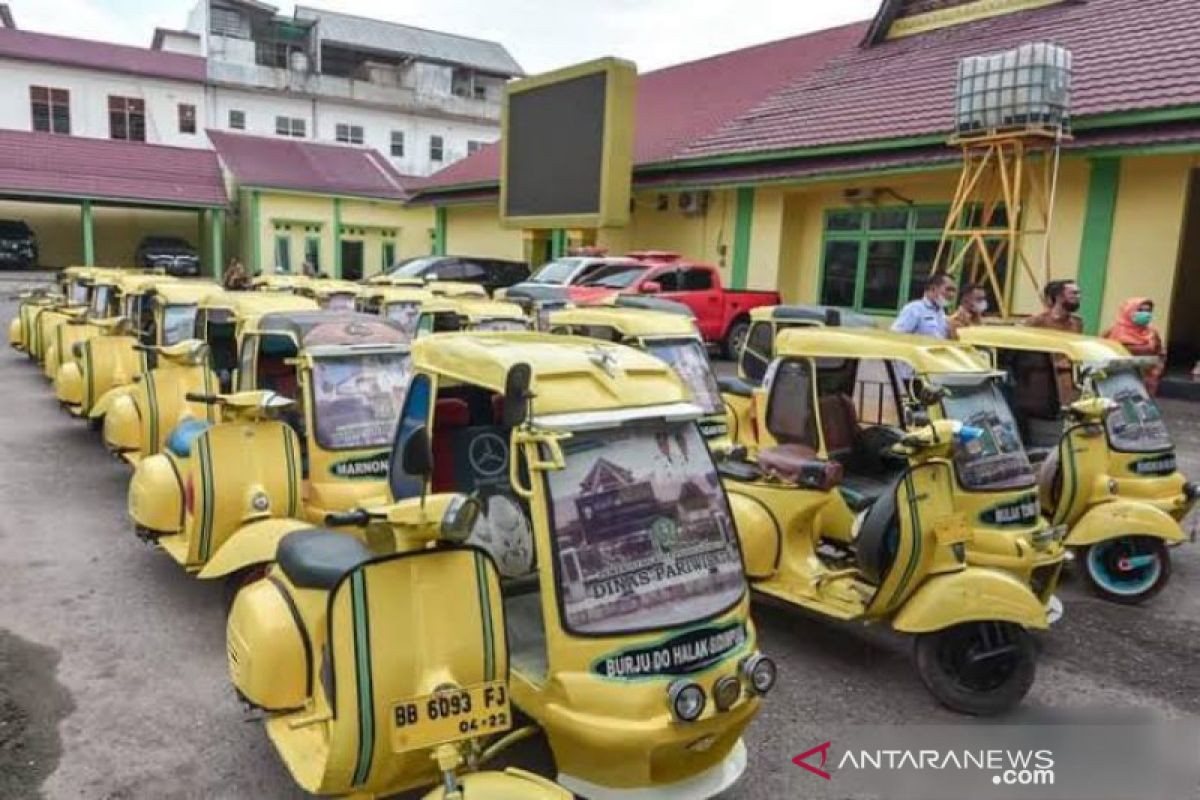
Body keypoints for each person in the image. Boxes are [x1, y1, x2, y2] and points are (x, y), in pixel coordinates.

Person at [1103, 297, 1166, 395]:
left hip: (1145, 381)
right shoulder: (1113, 332)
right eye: (1140, 310)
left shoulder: (1152, 333)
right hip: (1115, 379)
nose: (1145, 314)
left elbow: (1160, 353)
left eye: (1148, 311)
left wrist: (1156, 371)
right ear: (1129, 311)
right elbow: (1100, 353)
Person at [891, 273, 956, 339]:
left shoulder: (942, 312)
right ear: (933, 289)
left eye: (953, 291)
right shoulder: (914, 309)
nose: (952, 294)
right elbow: (895, 336)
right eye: (948, 289)